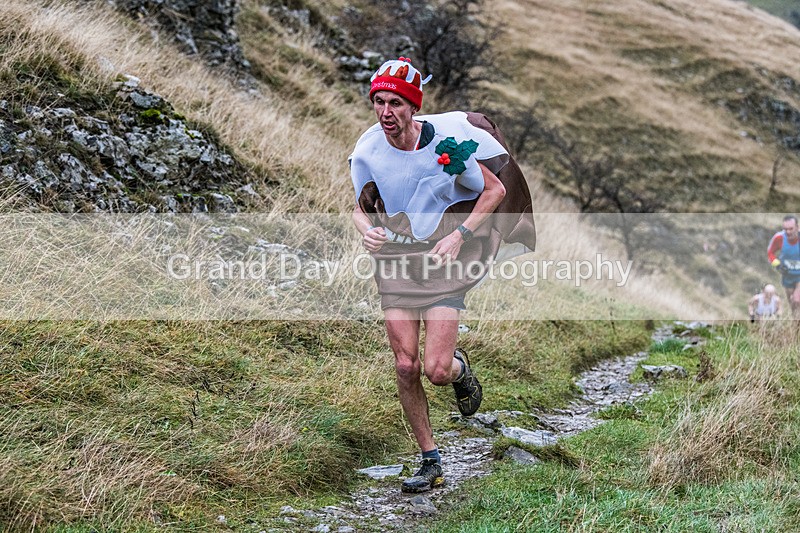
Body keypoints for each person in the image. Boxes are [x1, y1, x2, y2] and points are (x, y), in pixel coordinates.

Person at [349, 58, 536, 493]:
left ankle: (459, 369)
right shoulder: (368, 150)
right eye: (379, 101)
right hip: (395, 261)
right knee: (405, 364)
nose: (385, 112)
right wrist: (368, 233)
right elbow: (359, 207)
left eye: (395, 102)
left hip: (441, 260)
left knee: (435, 368)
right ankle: (429, 459)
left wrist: (461, 235)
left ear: (413, 106)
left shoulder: (446, 147)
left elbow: (495, 191)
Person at [767, 215, 800, 318]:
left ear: (797, 227)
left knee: (797, 299)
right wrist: (778, 265)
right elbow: (770, 253)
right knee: (792, 304)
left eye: (791, 229)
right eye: (785, 229)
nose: (788, 232)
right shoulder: (779, 238)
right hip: (787, 275)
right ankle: (796, 327)